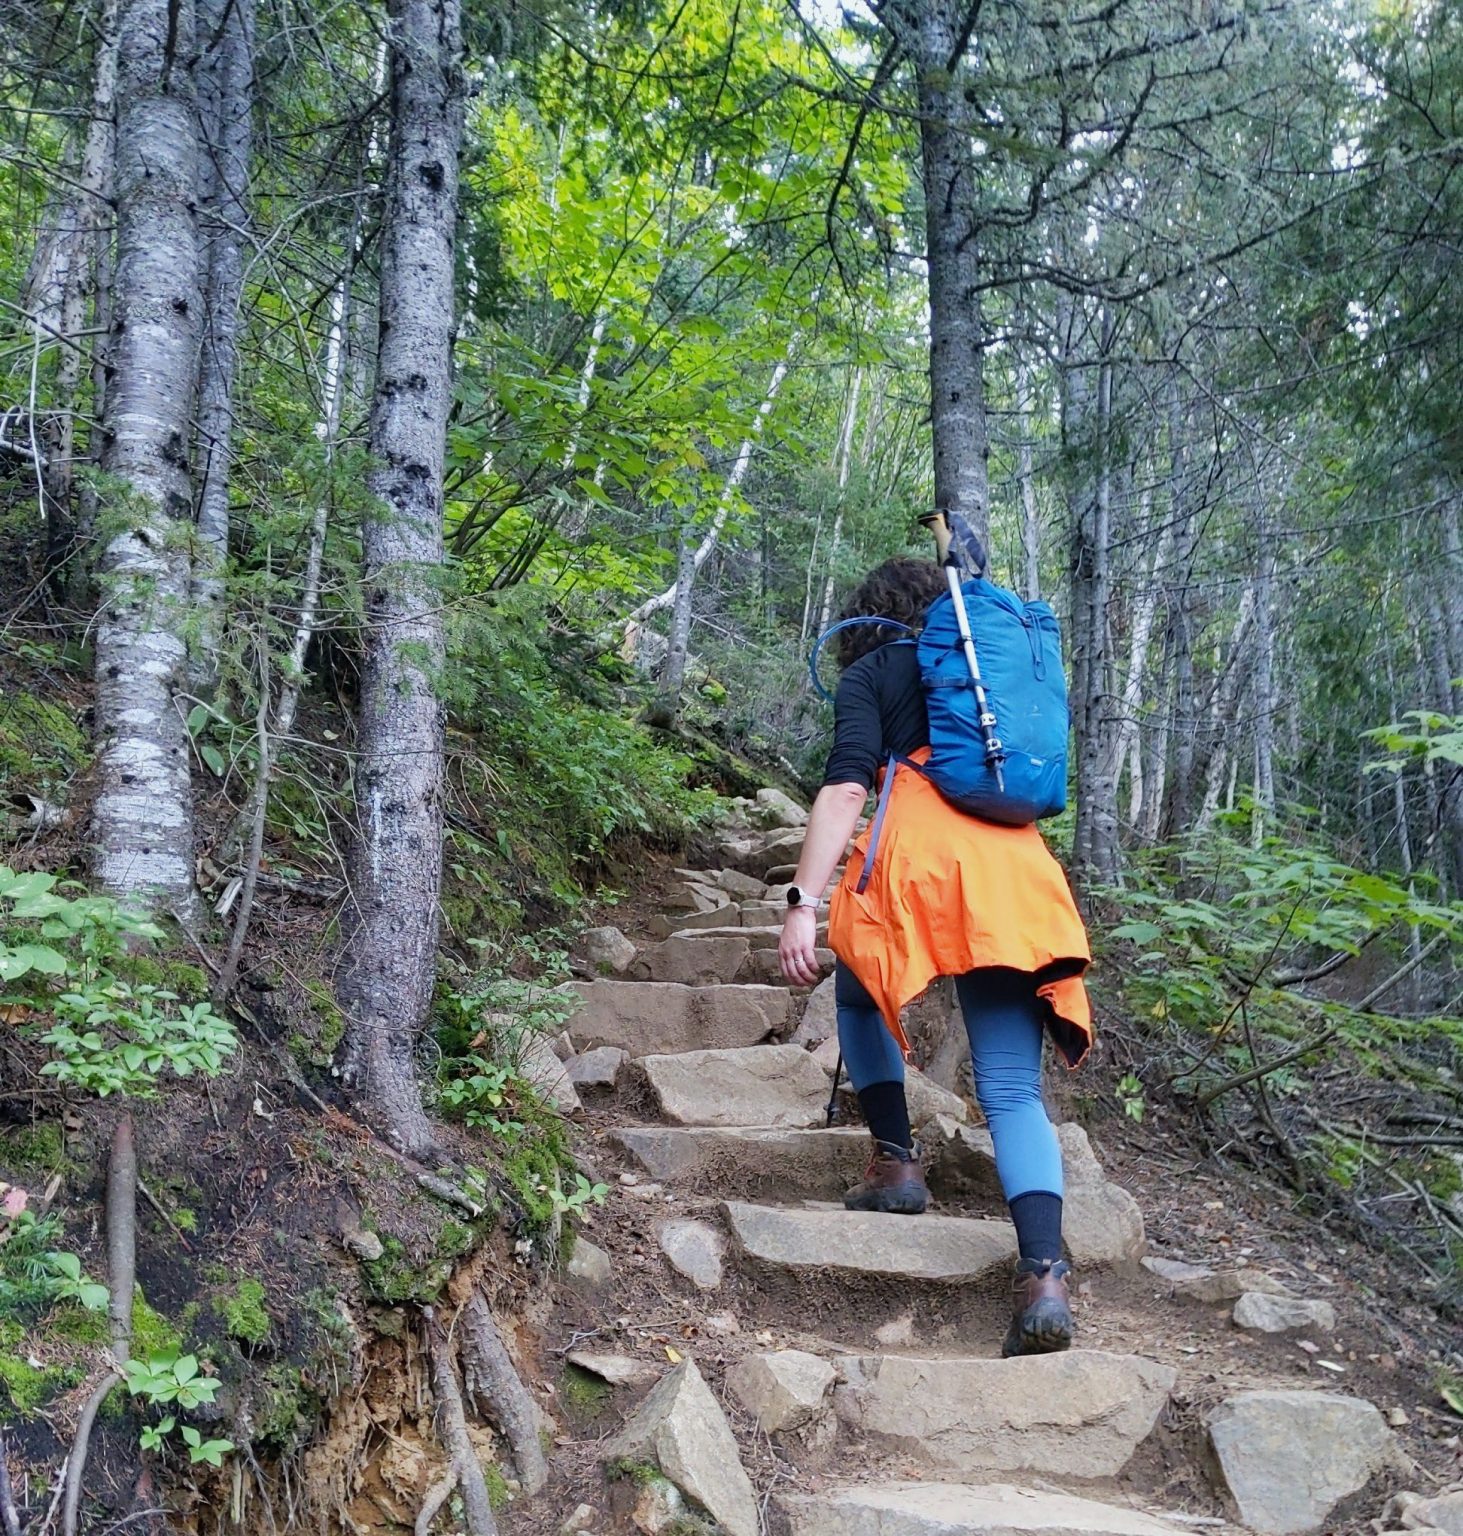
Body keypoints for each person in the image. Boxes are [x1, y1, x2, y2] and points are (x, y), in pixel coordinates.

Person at [778, 555, 1094, 1358]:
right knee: (1014, 1089)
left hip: (918, 867)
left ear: (868, 617)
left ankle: (897, 1163)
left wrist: (803, 905)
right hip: (1017, 873)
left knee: (857, 995)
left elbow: (848, 792)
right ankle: (1045, 1276)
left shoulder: (875, 674)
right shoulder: (983, 680)